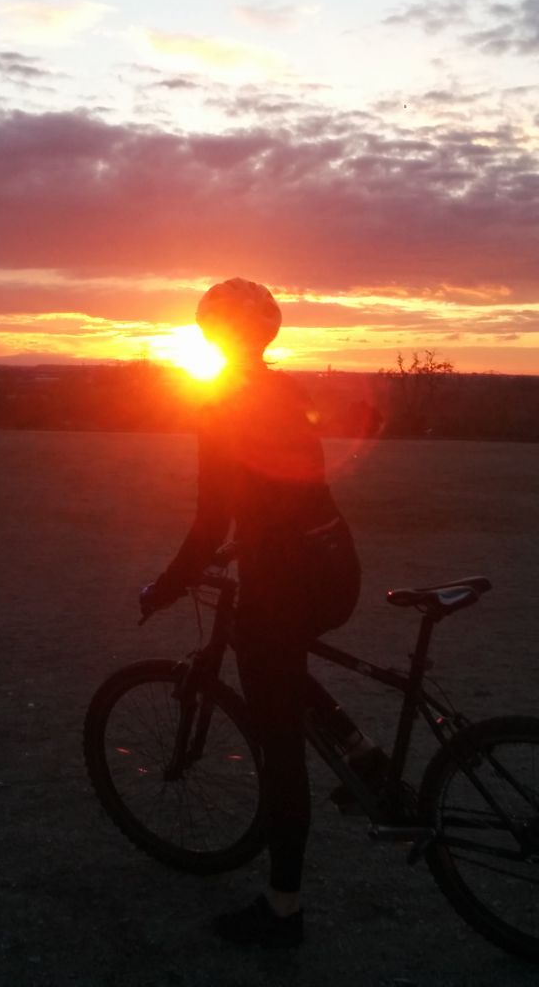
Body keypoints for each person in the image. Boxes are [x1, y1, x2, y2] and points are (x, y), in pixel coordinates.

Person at [140, 278, 362, 949]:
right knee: (275, 660)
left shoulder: (223, 405)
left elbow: (211, 519)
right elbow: (285, 493)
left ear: (212, 334)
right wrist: (251, 540)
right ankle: (361, 753)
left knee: (280, 748)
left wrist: (166, 586)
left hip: (286, 580)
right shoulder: (285, 391)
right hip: (335, 565)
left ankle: (283, 909)